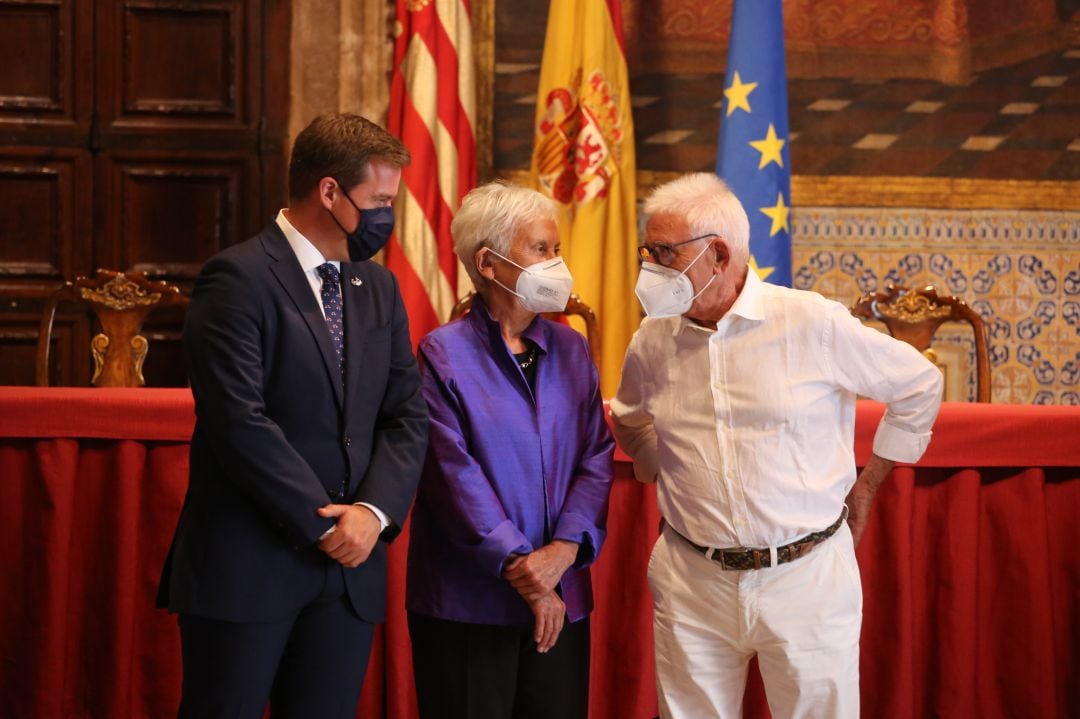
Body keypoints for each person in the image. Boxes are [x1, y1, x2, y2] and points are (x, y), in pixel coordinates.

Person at [611, 173, 943, 718]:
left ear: (717, 254)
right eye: (647, 251)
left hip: (806, 577)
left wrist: (868, 486)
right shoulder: (653, 337)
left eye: (664, 253)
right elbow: (628, 420)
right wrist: (666, 471)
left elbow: (919, 385)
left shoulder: (811, 322)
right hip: (692, 580)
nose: (649, 268)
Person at [157, 113, 428, 719]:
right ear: (329, 191)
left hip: (349, 577)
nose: (388, 216)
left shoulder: (377, 288)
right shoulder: (238, 277)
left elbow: (406, 415)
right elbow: (239, 422)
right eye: (379, 200)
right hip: (250, 565)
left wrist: (372, 514)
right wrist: (327, 524)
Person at [406, 181, 615, 719]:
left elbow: (595, 456)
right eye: (541, 249)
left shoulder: (570, 347)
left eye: (557, 249)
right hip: (470, 603)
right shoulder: (442, 353)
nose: (556, 262)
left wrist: (565, 551)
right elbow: (453, 475)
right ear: (489, 264)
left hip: (562, 595)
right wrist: (524, 569)